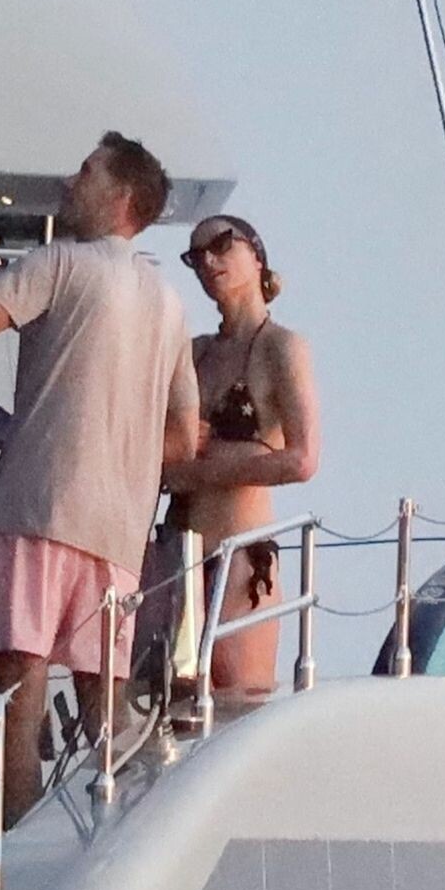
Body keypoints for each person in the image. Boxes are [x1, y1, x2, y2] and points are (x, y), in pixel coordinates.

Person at [0, 133, 199, 826]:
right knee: (108, 724)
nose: (70, 181)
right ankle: (129, 845)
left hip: (38, 512)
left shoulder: (61, 263)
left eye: (87, 172)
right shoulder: (170, 304)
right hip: (118, 537)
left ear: (120, 196)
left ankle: (17, 866)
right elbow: (185, 438)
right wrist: (110, 442)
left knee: (19, 713)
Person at [164, 215, 319, 695]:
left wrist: (204, 470)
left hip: (239, 556)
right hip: (178, 555)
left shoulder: (281, 347)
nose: (208, 261)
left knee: (239, 703)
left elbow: (303, 459)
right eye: (195, 256)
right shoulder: (192, 353)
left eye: (221, 245)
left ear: (256, 254)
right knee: (173, 706)